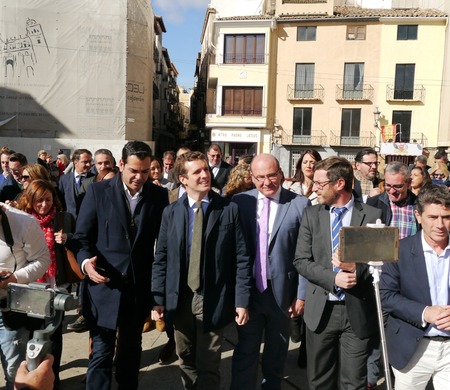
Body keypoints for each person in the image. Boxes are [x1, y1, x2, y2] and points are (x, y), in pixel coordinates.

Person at [152, 151, 251, 389]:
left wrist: (241, 301)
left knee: (209, 362)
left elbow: (242, 259)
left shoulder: (228, 209)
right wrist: (157, 299)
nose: (205, 174)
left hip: (212, 298)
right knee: (185, 357)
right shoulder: (171, 212)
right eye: (197, 171)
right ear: (183, 179)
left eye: (206, 169)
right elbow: (161, 258)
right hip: (180, 298)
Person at [75, 141, 168, 390]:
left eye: (146, 171)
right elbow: (81, 238)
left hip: (138, 290)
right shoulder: (98, 192)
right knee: (102, 353)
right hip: (103, 286)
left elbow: (164, 244)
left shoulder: (159, 196)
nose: (140, 177)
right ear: (122, 164)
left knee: (130, 353)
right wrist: (86, 263)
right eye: (134, 171)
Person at [294, 156, 381, 390]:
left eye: (320, 183)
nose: (315, 188)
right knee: (320, 381)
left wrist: (357, 269)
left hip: (357, 310)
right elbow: (301, 261)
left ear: (339, 184)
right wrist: (334, 278)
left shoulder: (372, 216)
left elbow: (382, 263)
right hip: (321, 311)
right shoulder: (312, 215)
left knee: (354, 382)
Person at [230, 153, 310, 389]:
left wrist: (301, 294)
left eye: (272, 176)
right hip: (250, 293)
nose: (267, 182)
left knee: (276, 354)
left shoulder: (299, 204)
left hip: (282, 294)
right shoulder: (239, 202)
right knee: (245, 352)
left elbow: (306, 254)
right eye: (260, 177)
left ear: (281, 175)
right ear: (252, 178)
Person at [380, 184, 450, 390]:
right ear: (418, 216)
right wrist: (425, 312)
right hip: (413, 348)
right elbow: (386, 295)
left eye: (446, 217)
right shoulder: (399, 250)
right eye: (433, 217)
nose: (440, 224)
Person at [17, 179, 76, 388]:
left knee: (54, 337)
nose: (44, 205)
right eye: (39, 200)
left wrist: (68, 238)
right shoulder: (21, 222)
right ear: (30, 200)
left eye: (48, 200)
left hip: (55, 287)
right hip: (29, 289)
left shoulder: (63, 219)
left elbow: (81, 241)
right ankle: (32, 378)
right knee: (31, 337)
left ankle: (53, 379)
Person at [366, 160, 420, 388]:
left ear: (408, 183)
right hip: (380, 274)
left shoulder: (420, 206)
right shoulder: (374, 203)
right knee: (375, 326)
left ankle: (399, 375)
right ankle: (370, 378)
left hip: (410, 277)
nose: (392, 191)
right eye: (388, 186)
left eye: (397, 186)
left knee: (401, 329)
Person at [0, 203, 51, 389]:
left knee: (17, 375)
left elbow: (43, 259)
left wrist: (15, 277)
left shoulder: (24, 223)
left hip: (8, 306)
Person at [58, 148, 94, 219]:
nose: (89, 164)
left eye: (90, 161)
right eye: (85, 162)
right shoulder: (64, 179)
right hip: (69, 221)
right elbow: (60, 200)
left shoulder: (95, 179)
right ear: (75, 163)